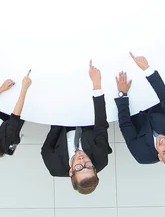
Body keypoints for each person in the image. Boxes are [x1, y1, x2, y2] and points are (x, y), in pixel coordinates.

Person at [41, 61, 112, 195]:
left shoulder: (54, 165)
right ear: (94, 169)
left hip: (62, 124)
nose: (82, 161)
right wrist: (97, 85)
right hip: (87, 119)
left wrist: (60, 107)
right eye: (88, 166)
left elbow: (48, 144)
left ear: (71, 172)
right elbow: (100, 124)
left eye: (79, 167)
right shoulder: (101, 158)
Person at [114, 52, 165, 170]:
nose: (164, 142)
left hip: (132, 110)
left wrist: (122, 94)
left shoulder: (141, 155)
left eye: (164, 150)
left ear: (160, 157)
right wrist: (147, 70)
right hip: (153, 99)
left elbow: (125, 125)